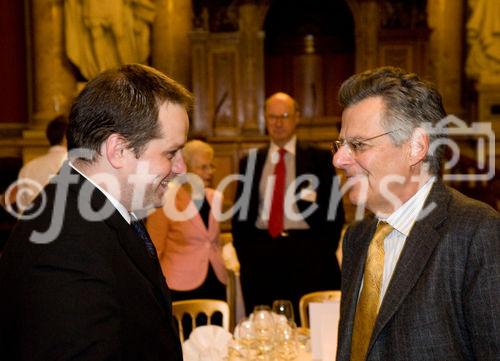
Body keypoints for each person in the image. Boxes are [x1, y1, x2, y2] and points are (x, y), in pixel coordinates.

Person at [0, 64, 193, 360]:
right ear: (118, 150)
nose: (181, 168)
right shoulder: (65, 244)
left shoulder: (93, 212)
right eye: (170, 153)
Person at [332, 67, 500, 361]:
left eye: (357, 145)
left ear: (415, 147)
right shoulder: (357, 239)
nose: (339, 159)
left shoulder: (477, 233)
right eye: (340, 144)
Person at [231, 92, 345, 321]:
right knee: (266, 331)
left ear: (297, 118)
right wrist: (247, 253)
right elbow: (240, 214)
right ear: (265, 118)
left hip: (309, 256)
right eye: (272, 116)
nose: (278, 122)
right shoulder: (250, 161)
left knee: (310, 327)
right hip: (261, 257)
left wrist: (322, 251)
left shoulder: (319, 159)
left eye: (284, 116)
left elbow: (335, 212)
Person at [146, 140, 228, 301]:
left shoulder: (214, 197)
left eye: (212, 166)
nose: (210, 172)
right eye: (203, 167)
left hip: (216, 281)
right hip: (180, 286)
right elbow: (154, 251)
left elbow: (214, 243)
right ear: (186, 168)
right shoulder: (166, 200)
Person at [16, 115, 68, 212]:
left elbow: (21, 214)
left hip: (32, 225)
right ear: (66, 137)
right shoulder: (77, 165)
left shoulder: (27, 168)